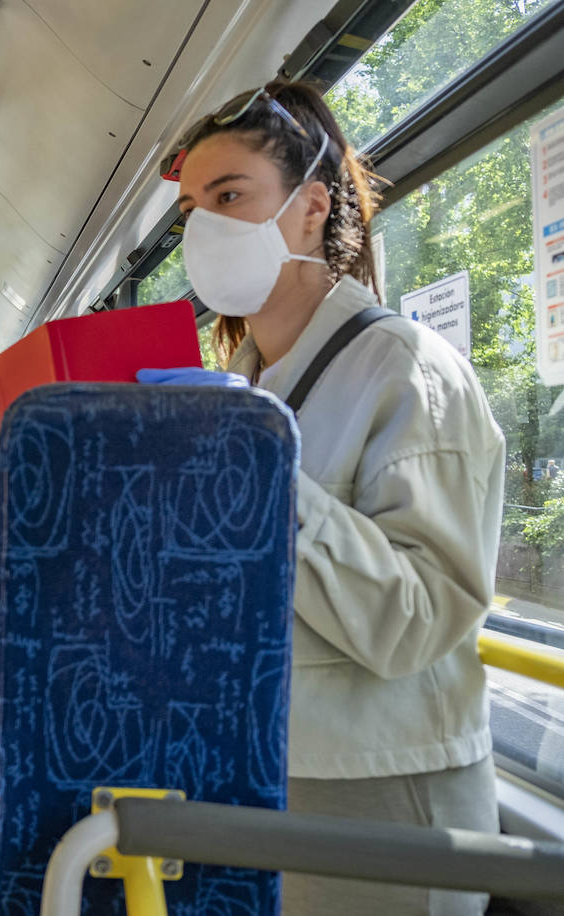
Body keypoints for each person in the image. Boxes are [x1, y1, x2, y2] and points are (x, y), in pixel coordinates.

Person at [141, 80, 504, 915]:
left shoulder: (406, 369)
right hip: (259, 762)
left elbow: (417, 618)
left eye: (230, 196)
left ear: (311, 207)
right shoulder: (244, 381)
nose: (205, 227)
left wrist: (255, 471)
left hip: (380, 788)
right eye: (193, 206)